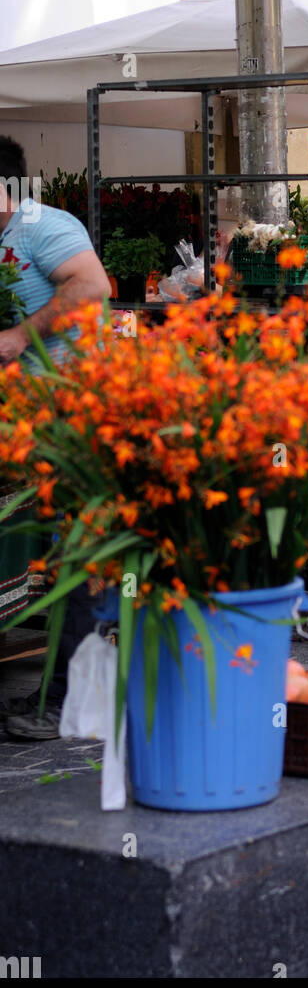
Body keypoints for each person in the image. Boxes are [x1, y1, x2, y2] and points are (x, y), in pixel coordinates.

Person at [0, 138, 112, 741]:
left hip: (73, 413)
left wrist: (19, 337)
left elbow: (92, 288)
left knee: (79, 553)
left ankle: (72, 701)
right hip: (22, 423)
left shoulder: (43, 224)